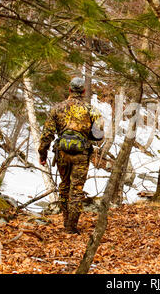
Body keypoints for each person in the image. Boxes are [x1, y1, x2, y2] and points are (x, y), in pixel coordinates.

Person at [38, 76, 104, 234]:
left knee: (65, 186)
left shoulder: (57, 108)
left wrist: (43, 153)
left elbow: (47, 134)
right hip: (81, 154)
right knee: (76, 188)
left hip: (62, 153)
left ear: (69, 89)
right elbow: (99, 136)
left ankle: (66, 220)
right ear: (84, 91)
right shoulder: (92, 110)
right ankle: (71, 226)